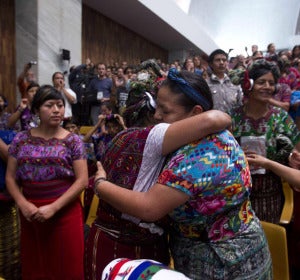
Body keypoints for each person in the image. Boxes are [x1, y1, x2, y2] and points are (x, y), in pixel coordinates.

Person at [93, 69, 272, 280]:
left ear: (197, 113)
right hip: (213, 250)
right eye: (156, 107)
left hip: (223, 262)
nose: (157, 116)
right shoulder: (203, 136)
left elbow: (149, 208)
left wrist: (101, 185)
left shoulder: (203, 153)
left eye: (165, 111)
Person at [6, 85, 88, 279]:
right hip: (30, 214)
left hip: (64, 212)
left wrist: (53, 207)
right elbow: (10, 177)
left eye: (60, 105)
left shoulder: (73, 141)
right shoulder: (21, 140)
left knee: (67, 268)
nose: (57, 110)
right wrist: (23, 203)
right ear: (36, 110)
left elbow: (82, 180)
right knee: (36, 267)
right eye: (49, 105)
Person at [231, 59, 300, 223]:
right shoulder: (232, 117)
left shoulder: (282, 117)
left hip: (270, 195)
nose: (268, 87)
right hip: (235, 193)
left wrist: (292, 156)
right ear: (249, 85)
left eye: (271, 83)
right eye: (262, 82)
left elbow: (297, 151)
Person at [206, 49, 243, 113]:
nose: (221, 63)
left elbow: (240, 104)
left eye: (224, 60)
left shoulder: (235, 82)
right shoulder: (205, 84)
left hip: (233, 121)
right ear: (211, 64)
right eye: (218, 60)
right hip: (214, 121)